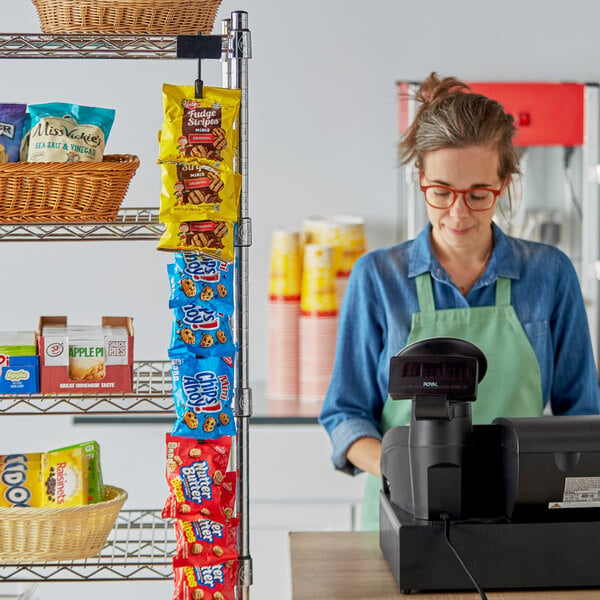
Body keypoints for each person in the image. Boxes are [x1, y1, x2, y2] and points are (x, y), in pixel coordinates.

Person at [318, 72, 600, 531]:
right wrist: (407, 473)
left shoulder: (550, 275)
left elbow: (584, 418)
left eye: (478, 194)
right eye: (442, 191)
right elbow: (345, 414)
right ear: (421, 180)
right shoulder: (378, 278)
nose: (458, 212)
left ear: (503, 185)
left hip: (518, 517)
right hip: (402, 515)